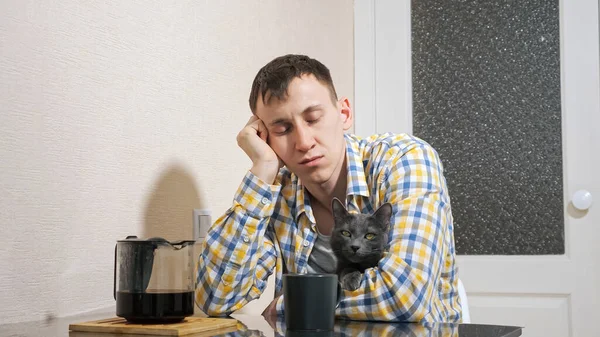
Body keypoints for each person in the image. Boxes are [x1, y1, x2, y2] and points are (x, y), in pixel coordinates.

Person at [195, 54, 462, 323]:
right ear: (265, 137)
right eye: (282, 129)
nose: (303, 141)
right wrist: (262, 169)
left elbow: (406, 296)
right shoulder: (279, 193)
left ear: (343, 114)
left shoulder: (403, 160)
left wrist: (286, 306)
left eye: (312, 119)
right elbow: (216, 298)